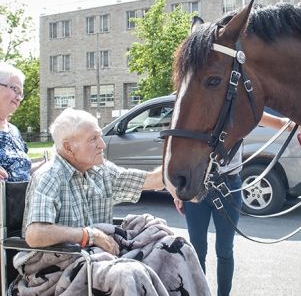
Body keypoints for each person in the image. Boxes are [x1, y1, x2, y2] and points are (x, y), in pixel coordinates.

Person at [14, 107, 210, 295]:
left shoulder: (100, 170)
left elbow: (150, 180)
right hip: (59, 268)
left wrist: (191, 155)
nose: (103, 144)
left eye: (100, 136)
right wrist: (89, 236)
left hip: (98, 256)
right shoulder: (49, 176)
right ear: (68, 147)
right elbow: (35, 234)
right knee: (128, 274)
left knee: (177, 247)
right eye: (93, 139)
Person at [174, 111, 292, 296]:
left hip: (228, 186)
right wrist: (177, 191)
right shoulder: (199, 109)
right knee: (197, 250)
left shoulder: (241, 112)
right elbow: (180, 151)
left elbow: (280, 122)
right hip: (196, 186)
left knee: (225, 250)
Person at [0, 62, 46, 182]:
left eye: (21, 94)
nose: (19, 97)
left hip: (19, 199)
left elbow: (22, 172)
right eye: (15, 89)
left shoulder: (14, 131)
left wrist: (47, 163)